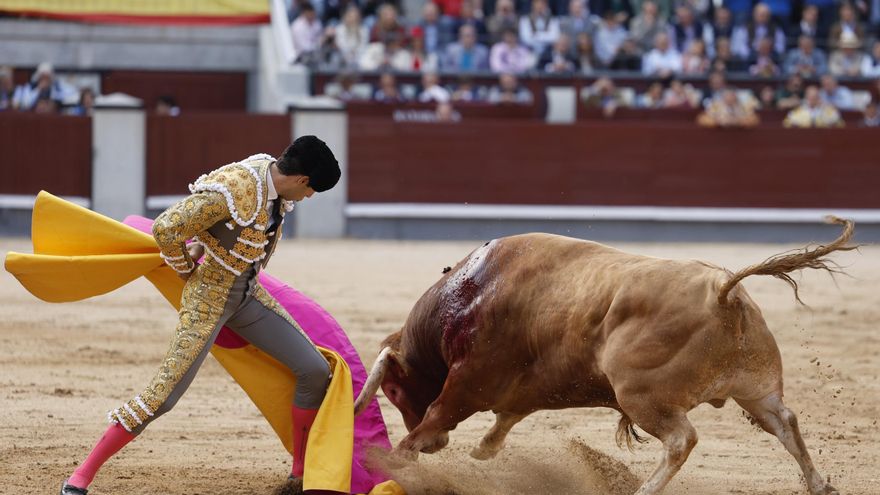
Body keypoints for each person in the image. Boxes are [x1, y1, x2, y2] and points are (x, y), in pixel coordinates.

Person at [58, 138, 342, 495]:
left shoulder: (273, 181)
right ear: (302, 179)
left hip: (247, 296)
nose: (310, 197)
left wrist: (202, 241)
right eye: (314, 189)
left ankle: (299, 476)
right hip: (207, 301)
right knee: (163, 396)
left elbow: (216, 230)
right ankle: (80, 476)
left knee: (315, 370)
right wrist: (184, 267)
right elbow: (166, 228)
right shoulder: (237, 187)